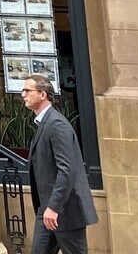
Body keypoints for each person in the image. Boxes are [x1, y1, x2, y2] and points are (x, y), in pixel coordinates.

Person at [19, 72, 95, 254]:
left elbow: (66, 170)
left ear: (42, 95)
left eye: (28, 90)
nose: (23, 95)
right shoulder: (45, 123)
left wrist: (53, 207)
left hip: (65, 211)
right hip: (47, 210)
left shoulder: (57, 125)